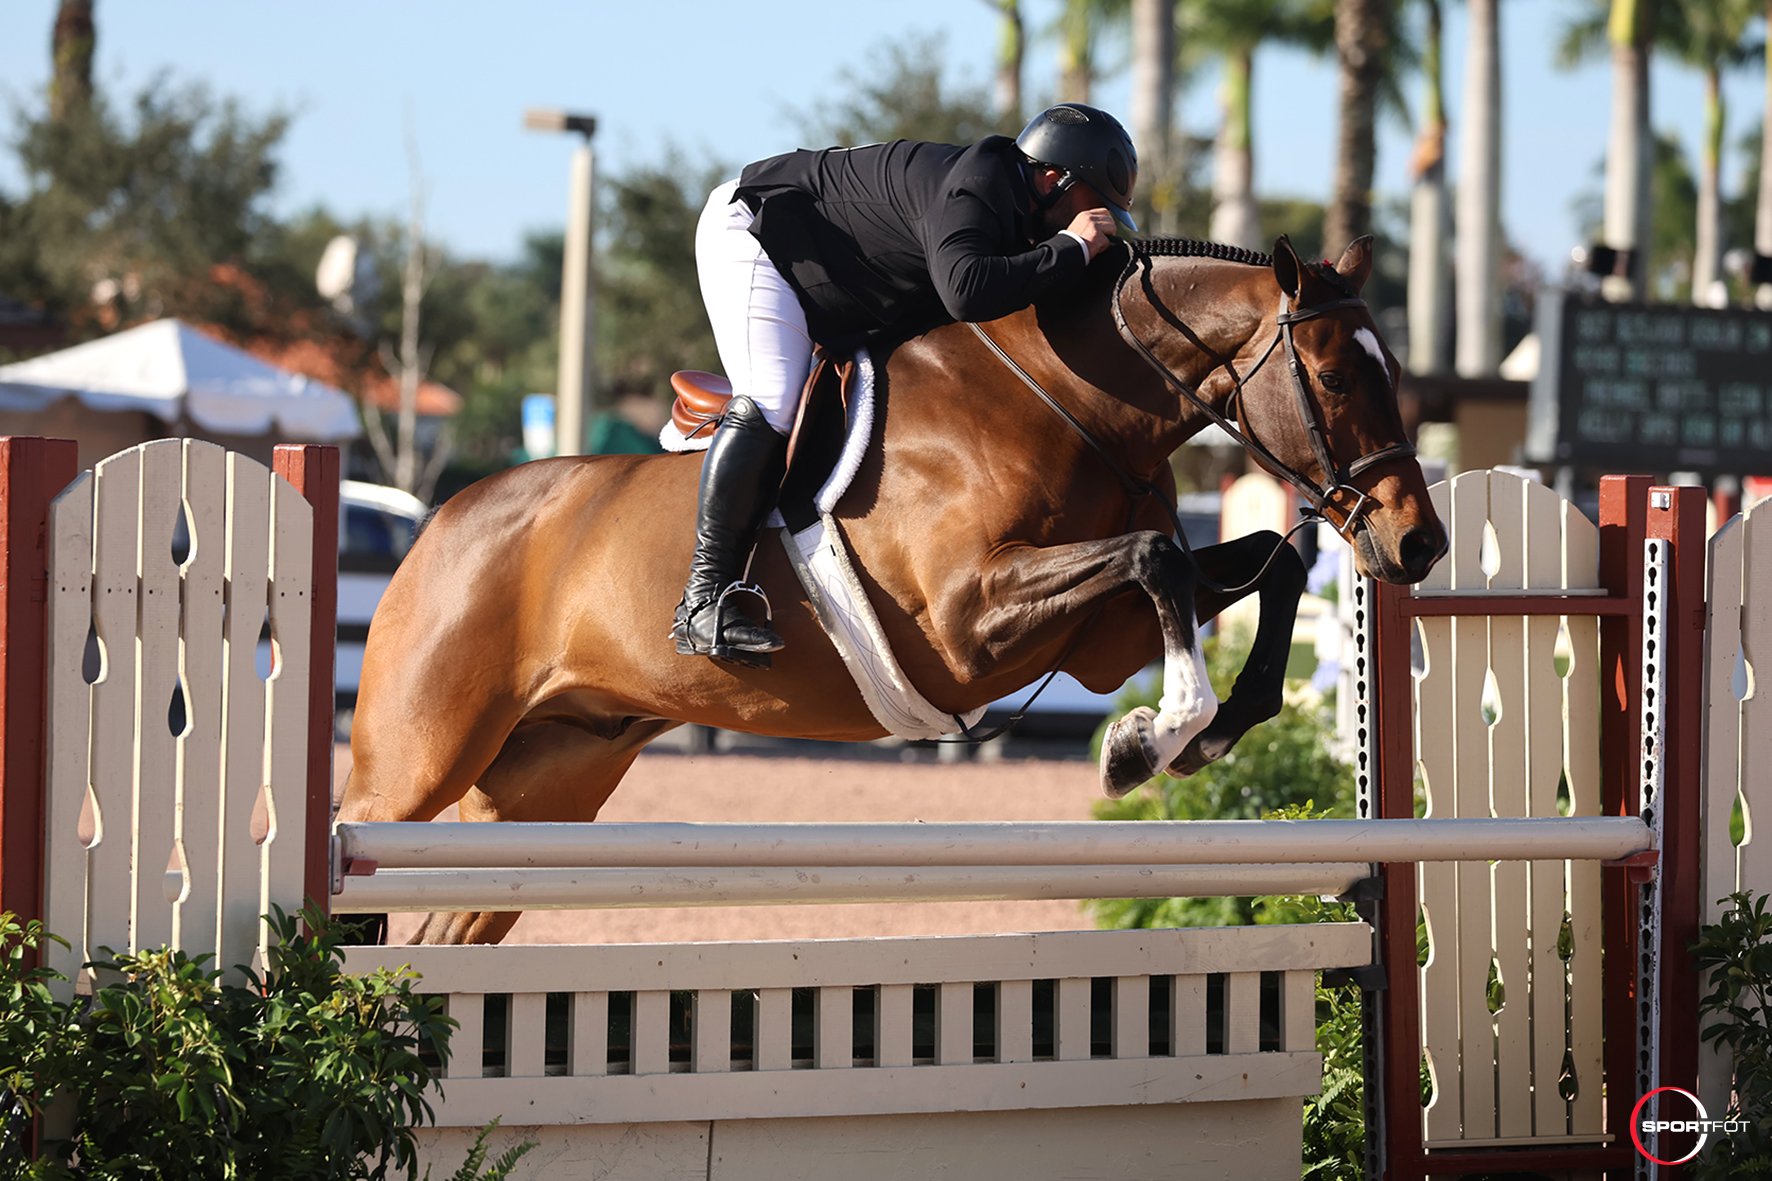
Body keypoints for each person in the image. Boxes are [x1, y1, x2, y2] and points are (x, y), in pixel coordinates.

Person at [675, 103, 1139, 669]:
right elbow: (967, 291)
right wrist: (1071, 247)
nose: (1097, 222)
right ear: (1051, 179)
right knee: (773, 398)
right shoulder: (977, 186)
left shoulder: (1021, 207)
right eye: (1091, 205)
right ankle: (702, 602)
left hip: (842, 279)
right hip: (757, 235)